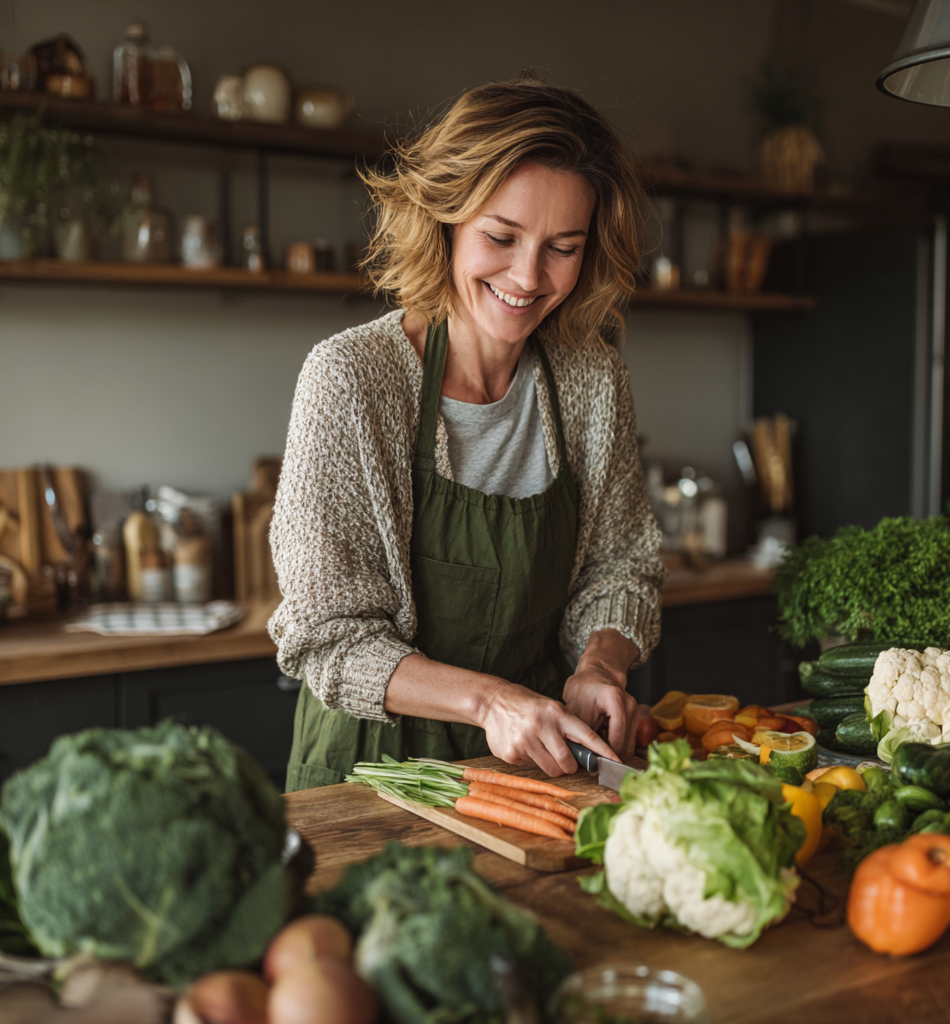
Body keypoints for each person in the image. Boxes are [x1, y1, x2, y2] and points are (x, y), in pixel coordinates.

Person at [270, 74, 665, 792]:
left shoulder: (593, 383)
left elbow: (620, 566)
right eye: (501, 236)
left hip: (536, 763)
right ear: (445, 218)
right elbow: (326, 640)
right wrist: (488, 700)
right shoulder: (352, 380)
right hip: (373, 771)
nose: (528, 276)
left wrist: (600, 664)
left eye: (563, 246)